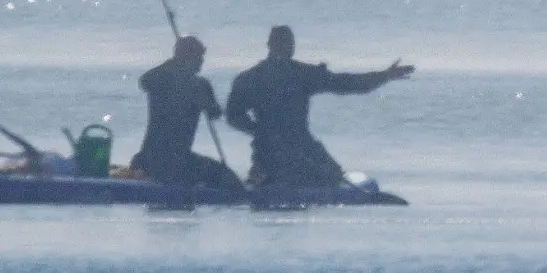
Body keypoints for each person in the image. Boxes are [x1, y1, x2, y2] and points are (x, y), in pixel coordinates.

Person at [225, 25, 413, 187]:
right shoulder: (250, 79)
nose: (286, 48)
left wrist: (384, 76)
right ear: (270, 45)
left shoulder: (302, 74)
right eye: (282, 43)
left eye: (289, 43)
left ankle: (273, 176)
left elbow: (345, 83)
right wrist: (261, 133)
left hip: (303, 145)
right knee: (305, 175)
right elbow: (233, 115)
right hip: (268, 151)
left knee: (332, 176)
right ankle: (263, 176)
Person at [129, 35, 243, 190]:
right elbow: (144, 81)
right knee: (230, 181)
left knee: (224, 176)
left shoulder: (199, 85)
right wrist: (176, 63)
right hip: (161, 161)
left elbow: (215, 113)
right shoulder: (163, 79)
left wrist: (206, 100)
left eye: (202, 57)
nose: (201, 62)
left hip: (172, 159)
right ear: (187, 57)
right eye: (198, 57)